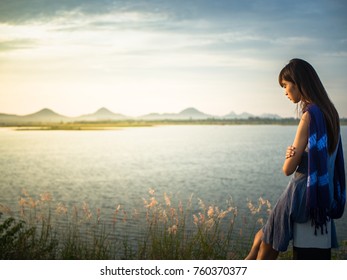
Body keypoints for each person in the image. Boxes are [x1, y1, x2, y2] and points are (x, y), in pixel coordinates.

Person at [245, 58, 346, 260]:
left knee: (266, 245)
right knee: (261, 237)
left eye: (286, 85)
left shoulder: (309, 116)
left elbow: (288, 169)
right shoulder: (331, 113)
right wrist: (300, 155)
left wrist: (290, 155)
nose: (285, 91)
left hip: (301, 192)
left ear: (298, 82)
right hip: (321, 191)